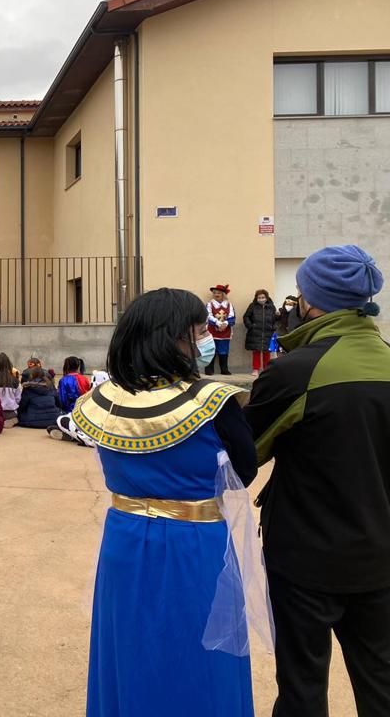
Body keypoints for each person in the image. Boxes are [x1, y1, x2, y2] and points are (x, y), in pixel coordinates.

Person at [70, 287, 263, 717]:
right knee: (199, 654)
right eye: (197, 331)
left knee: (129, 647)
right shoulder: (212, 401)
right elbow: (243, 471)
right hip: (194, 541)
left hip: (124, 538)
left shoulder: (105, 401)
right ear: (173, 338)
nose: (203, 340)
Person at [244, 245, 390, 717]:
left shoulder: (294, 371)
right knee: (382, 685)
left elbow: (244, 456)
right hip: (382, 557)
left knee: (303, 689)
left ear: (309, 297)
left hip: (304, 558)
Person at [242, 289, 277, 376]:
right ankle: (255, 369)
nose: (261, 299)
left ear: (267, 297)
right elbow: (246, 317)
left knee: (266, 351)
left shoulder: (271, 307)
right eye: (259, 297)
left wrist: (274, 327)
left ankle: (266, 369)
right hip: (255, 332)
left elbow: (275, 319)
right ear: (256, 298)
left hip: (268, 332)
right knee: (256, 351)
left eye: (263, 297)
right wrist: (250, 326)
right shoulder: (252, 306)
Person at [205, 283, 235, 375]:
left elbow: (232, 316)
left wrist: (225, 323)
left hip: (225, 332)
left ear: (223, 294)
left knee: (223, 351)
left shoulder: (229, 305)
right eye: (215, 293)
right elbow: (208, 315)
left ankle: (224, 369)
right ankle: (209, 370)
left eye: (219, 293)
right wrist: (217, 323)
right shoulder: (209, 304)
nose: (216, 294)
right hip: (212, 330)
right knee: (211, 350)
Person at [0, 353, 22, 428]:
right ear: (8, 364)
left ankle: (0, 421)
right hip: (11, 413)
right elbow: (18, 399)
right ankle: (11, 420)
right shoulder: (14, 380)